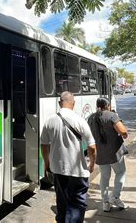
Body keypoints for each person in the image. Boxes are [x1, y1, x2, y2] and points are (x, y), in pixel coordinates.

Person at [41, 91, 96, 223]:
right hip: (77, 171)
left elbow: (44, 145)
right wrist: (92, 164)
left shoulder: (50, 120)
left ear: (60, 103)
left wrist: (47, 164)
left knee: (62, 201)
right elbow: (92, 147)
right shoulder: (80, 120)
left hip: (58, 170)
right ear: (73, 103)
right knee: (76, 205)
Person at [87, 97, 128, 212]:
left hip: (100, 153)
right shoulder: (112, 116)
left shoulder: (91, 118)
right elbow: (123, 132)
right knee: (120, 173)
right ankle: (115, 197)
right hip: (114, 152)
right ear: (108, 105)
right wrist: (124, 135)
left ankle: (105, 202)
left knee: (104, 177)